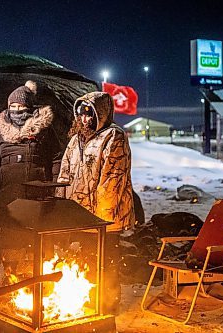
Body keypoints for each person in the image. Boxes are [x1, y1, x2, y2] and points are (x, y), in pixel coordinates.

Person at [56, 91, 134, 314]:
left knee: (106, 260)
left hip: (103, 218)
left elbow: (112, 181)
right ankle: (88, 298)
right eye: (82, 114)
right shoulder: (75, 140)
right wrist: (63, 208)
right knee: (84, 257)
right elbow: (64, 174)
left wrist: (100, 220)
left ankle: (108, 303)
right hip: (79, 215)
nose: (85, 119)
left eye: (90, 114)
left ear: (101, 114)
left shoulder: (113, 137)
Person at [0, 81, 61, 212]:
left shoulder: (44, 130)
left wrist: (56, 186)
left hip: (38, 195)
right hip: (7, 197)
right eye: (13, 106)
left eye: (21, 106)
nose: (16, 110)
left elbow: (56, 158)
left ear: (29, 106)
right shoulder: (0, 132)